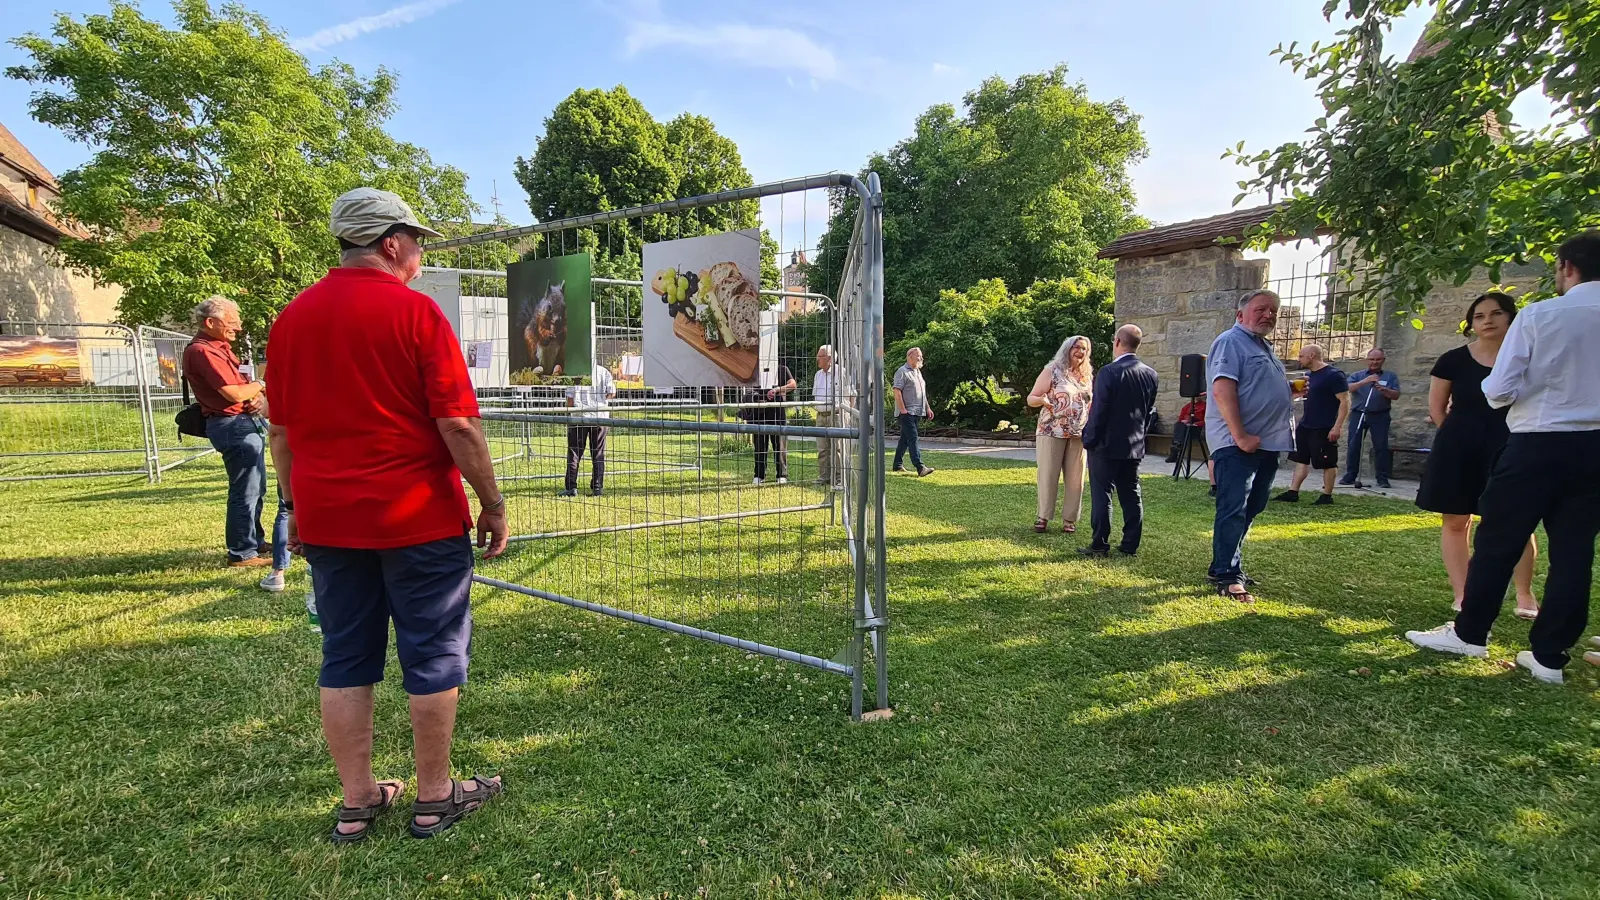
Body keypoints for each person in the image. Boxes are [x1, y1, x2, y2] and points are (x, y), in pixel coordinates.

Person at [266, 187, 509, 842]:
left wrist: (293, 508)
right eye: (419, 241)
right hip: (419, 520)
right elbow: (457, 423)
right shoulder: (417, 314)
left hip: (330, 523)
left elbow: (282, 435)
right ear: (392, 243)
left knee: (345, 656)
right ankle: (434, 797)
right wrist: (491, 502)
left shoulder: (291, 321)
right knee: (432, 655)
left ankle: (359, 802)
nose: (421, 254)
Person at [1408, 231, 1600, 684]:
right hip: (1595, 448)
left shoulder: (1541, 316)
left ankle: (1470, 632)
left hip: (1540, 439)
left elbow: (1496, 389)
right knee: (1575, 550)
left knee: (1499, 538)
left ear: (1568, 267)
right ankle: (1550, 656)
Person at [1414, 293, 1539, 618]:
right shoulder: (1453, 360)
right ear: (1471, 323)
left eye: (1496, 313)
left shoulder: (1528, 357)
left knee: (1515, 523)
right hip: (1458, 448)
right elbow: (1437, 409)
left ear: (1511, 318)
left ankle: (1525, 595)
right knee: (1456, 521)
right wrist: (1460, 439)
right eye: (1480, 315)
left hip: (1512, 446)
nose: (1488, 320)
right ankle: (1463, 594)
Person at [1205, 290, 1295, 603]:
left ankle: (1222, 565)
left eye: (1274, 310)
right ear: (1241, 314)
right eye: (1261, 309)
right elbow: (1222, 389)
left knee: (1253, 505)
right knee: (1234, 506)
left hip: (1267, 443)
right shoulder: (1231, 340)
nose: (1268, 315)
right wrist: (1241, 436)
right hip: (1237, 443)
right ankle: (1229, 576)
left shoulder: (1264, 346)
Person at [184, 296, 277, 571]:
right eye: (232, 321)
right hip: (232, 425)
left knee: (256, 487)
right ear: (210, 322)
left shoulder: (218, 347)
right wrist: (262, 383)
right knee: (245, 490)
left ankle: (254, 541)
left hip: (241, 421)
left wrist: (253, 392)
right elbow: (233, 392)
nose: (237, 327)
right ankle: (242, 552)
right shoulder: (203, 352)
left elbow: (239, 388)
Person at [1080, 325, 1158, 557]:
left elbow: (1099, 410)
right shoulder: (1150, 374)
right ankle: (1130, 543)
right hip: (1133, 443)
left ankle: (1099, 544)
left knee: (1102, 494)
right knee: (1131, 494)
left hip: (1106, 443)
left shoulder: (1109, 372)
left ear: (1116, 342)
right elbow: (1148, 410)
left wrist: (1089, 438)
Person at [1027, 336, 1094, 533]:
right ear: (1067, 349)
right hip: (1051, 430)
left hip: (1078, 433)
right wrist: (1042, 400)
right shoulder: (1052, 371)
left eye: (1084, 349)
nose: (1080, 352)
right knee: (1048, 474)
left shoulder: (1087, 376)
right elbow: (1031, 398)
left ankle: (1070, 520)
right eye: (1077, 347)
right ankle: (1043, 517)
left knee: (1076, 478)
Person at [1273, 344, 1350, 505]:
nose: (1298, 359)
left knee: (1327, 461)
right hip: (1306, 424)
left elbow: (1345, 401)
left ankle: (1326, 496)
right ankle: (1293, 492)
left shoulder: (1334, 375)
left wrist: (1337, 426)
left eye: (1301, 356)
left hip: (1324, 426)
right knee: (1301, 459)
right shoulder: (1308, 376)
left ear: (1312, 356)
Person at [1341, 348, 1401, 488]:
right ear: (1367, 360)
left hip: (1380, 415)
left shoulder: (1390, 376)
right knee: (1354, 444)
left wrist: (1384, 390)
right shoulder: (1358, 375)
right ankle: (1351, 475)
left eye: (1378, 359)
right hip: (1359, 413)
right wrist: (1365, 381)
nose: (1374, 362)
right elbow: (1347, 388)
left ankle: (1382, 478)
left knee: (1381, 446)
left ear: (1383, 360)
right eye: (1372, 359)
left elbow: (1396, 395)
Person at [561, 364, 616, 498]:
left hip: (579, 416)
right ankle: (597, 488)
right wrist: (599, 401)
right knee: (598, 453)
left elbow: (570, 399)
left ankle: (571, 487)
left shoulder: (574, 370)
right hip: (599, 416)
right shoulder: (604, 371)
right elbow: (612, 393)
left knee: (574, 452)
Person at [750, 362, 796, 485]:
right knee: (759, 444)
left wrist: (778, 390)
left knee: (779, 444)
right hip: (759, 411)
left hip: (777, 411)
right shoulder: (755, 369)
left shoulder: (782, 369)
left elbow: (792, 384)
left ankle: (781, 474)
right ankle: (759, 475)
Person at [892, 347, 934, 477]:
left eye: (921, 356)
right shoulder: (902, 372)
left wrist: (927, 408)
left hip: (917, 412)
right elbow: (897, 392)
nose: (921, 358)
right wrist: (903, 410)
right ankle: (920, 467)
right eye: (918, 356)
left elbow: (922, 393)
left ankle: (897, 465)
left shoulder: (917, 372)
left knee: (905, 439)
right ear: (910, 356)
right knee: (913, 438)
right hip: (907, 413)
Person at [812, 345, 840, 489]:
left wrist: (843, 413)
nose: (817, 359)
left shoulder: (840, 373)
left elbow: (850, 394)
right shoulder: (818, 374)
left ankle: (839, 478)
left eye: (820, 356)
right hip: (821, 416)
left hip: (835, 415)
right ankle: (824, 476)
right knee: (822, 449)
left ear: (829, 358)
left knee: (837, 448)